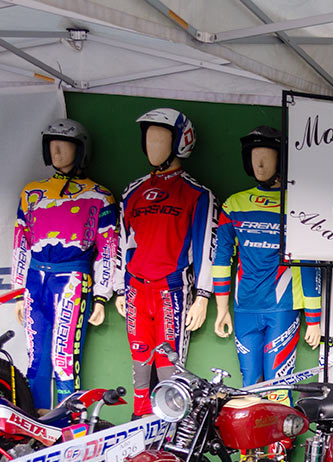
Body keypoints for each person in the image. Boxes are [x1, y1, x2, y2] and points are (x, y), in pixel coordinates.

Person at [12, 119, 119, 409]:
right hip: (34, 281)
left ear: (81, 150)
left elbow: (108, 249)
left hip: (71, 280)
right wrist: (18, 291)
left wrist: (101, 296)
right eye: (52, 145)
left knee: (64, 361)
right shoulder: (32, 192)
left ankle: (69, 425)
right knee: (35, 361)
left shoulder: (99, 196)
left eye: (65, 145)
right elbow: (20, 241)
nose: (56, 151)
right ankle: (34, 424)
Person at [116, 107, 216, 417]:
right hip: (135, 288)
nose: (152, 146)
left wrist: (203, 296)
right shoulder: (132, 191)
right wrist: (119, 288)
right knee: (139, 363)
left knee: (168, 366)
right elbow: (122, 242)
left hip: (171, 288)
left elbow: (206, 246)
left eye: (160, 139)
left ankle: (168, 431)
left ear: (181, 142)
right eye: (148, 138)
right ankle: (138, 425)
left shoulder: (196, 193)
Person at [211, 126, 322, 386]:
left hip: (282, 307)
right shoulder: (233, 204)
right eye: (254, 156)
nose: (259, 163)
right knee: (249, 385)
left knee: (277, 384)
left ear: (281, 160)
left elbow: (309, 263)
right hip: (244, 306)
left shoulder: (297, 205)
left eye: (267, 156)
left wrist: (314, 319)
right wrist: (221, 308)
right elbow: (221, 258)